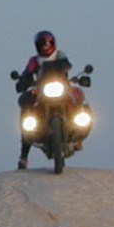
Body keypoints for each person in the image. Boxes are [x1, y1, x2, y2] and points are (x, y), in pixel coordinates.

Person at [14, 30, 84, 170]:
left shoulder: (59, 54)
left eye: (47, 43)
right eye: (42, 44)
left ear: (52, 43)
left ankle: (78, 135)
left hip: (62, 86)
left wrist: (65, 66)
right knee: (26, 105)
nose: (45, 46)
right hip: (41, 89)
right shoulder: (34, 60)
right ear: (37, 45)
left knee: (78, 96)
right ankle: (24, 156)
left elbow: (66, 64)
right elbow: (27, 72)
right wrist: (24, 80)